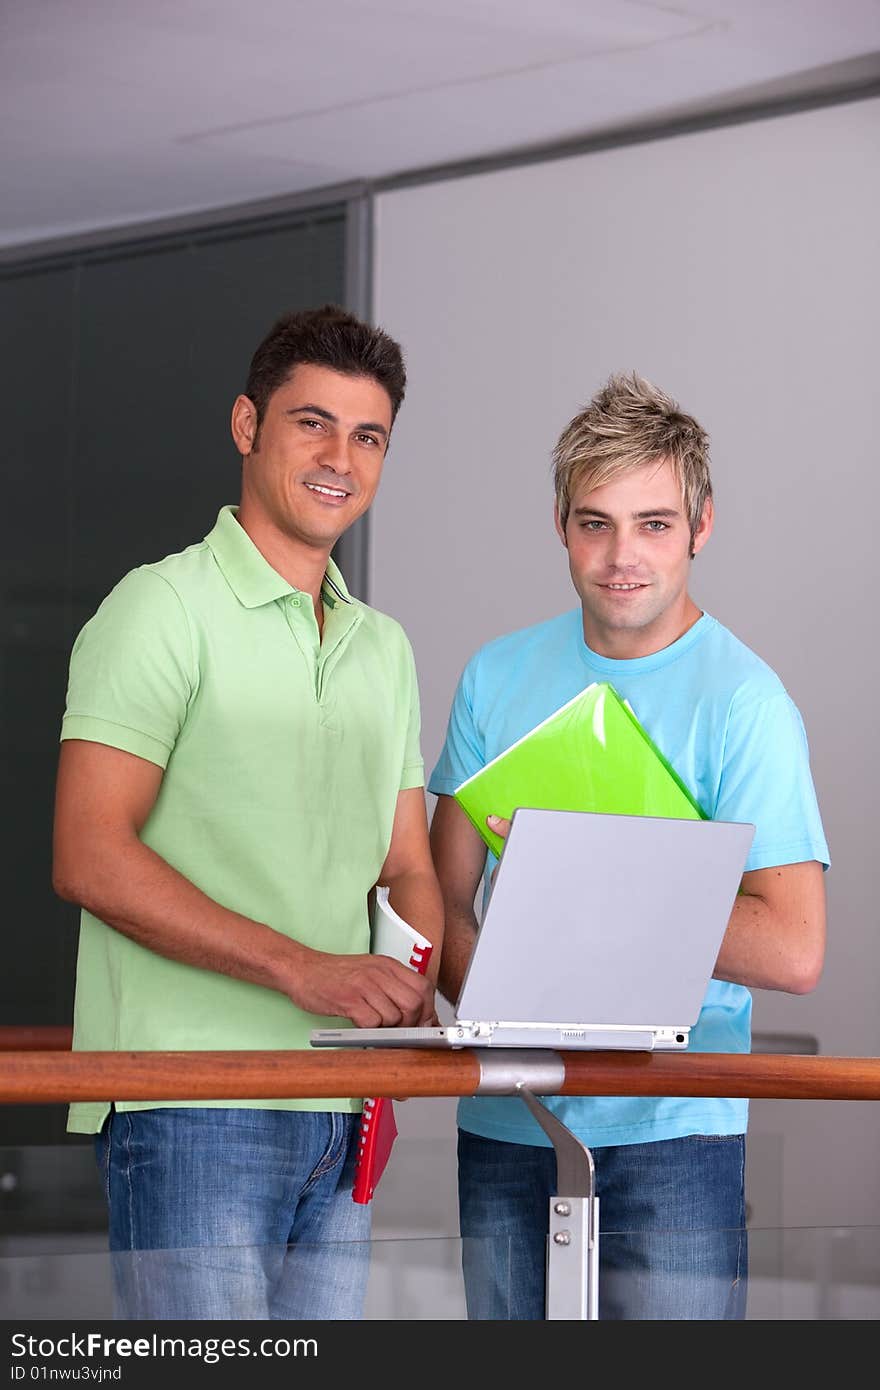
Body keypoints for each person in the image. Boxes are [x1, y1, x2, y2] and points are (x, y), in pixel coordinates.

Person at [52, 304, 444, 1321]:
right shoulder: (159, 608)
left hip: (342, 1110)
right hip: (193, 1104)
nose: (339, 458)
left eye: (368, 437)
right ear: (246, 425)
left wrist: (409, 987)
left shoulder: (383, 647)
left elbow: (407, 862)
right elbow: (89, 854)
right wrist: (307, 969)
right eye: (311, 422)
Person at [428, 371, 828, 1321]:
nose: (622, 557)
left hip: (674, 1133)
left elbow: (794, 948)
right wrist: (521, 1003)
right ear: (561, 526)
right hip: (510, 1117)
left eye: (653, 523)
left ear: (701, 526)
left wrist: (589, 886)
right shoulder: (495, 677)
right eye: (595, 522)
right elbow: (435, 904)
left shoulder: (747, 704)